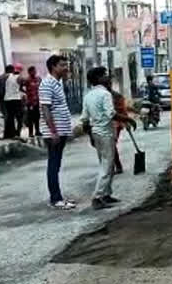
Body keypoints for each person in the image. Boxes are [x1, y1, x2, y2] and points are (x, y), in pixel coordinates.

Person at [81, 67, 121, 210]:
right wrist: (128, 119)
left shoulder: (88, 95)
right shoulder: (105, 94)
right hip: (105, 132)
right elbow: (111, 114)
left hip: (96, 133)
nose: (107, 77)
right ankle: (98, 197)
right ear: (98, 78)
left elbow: (85, 119)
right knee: (107, 165)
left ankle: (106, 194)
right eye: (104, 75)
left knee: (105, 163)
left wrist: (90, 136)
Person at [40, 55, 76, 210]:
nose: (66, 67)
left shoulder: (57, 83)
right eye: (62, 65)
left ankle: (57, 196)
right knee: (53, 165)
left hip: (60, 130)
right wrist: (53, 132)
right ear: (54, 67)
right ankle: (56, 199)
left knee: (56, 164)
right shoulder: (47, 83)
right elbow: (45, 109)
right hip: (54, 132)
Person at [3, 64, 24, 139]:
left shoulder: (7, 76)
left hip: (7, 99)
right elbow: (22, 88)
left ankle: (11, 134)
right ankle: (17, 133)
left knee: (10, 117)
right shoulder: (20, 77)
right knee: (19, 118)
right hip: (16, 99)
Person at [24, 66, 42, 138]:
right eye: (33, 71)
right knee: (30, 118)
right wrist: (27, 93)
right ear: (29, 72)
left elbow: (41, 86)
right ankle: (30, 132)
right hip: (30, 102)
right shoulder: (27, 80)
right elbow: (21, 87)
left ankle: (37, 131)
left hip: (37, 101)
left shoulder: (38, 79)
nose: (34, 72)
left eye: (35, 71)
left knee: (37, 117)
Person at [0, 64, 12, 138]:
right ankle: (8, 134)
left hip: (2, 98)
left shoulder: (0, 77)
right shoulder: (9, 77)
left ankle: (7, 133)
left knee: (6, 115)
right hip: (9, 98)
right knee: (9, 116)